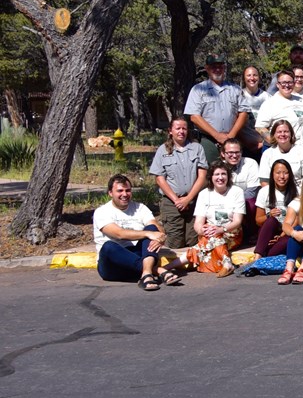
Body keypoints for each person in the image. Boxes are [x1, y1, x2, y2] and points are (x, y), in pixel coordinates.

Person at [93, 174, 178, 289]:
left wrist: (160, 237)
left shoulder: (140, 208)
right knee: (108, 246)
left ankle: (146, 275)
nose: (125, 194)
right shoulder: (102, 212)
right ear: (110, 193)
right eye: (120, 191)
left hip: (135, 257)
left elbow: (157, 229)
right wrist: (148, 234)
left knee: (152, 228)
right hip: (112, 266)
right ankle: (157, 271)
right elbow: (119, 234)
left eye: (128, 190)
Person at [150, 117, 208, 250]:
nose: (181, 131)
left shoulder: (197, 148)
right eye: (178, 128)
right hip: (172, 203)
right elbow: (159, 178)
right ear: (170, 131)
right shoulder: (163, 150)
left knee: (193, 241)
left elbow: (202, 176)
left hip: (193, 201)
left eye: (184, 128)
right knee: (175, 244)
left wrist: (188, 199)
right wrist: (177, 200)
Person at [185, 55, 247, 164]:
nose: (217, 70)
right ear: (207, 68)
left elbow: (243, 114)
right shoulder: (198, 90)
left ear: (224, 68)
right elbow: (194, 117)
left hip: (232, 139)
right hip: (208, 140)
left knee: (233, 173)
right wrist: (217, 136)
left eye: (220, 66)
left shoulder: (235, 89)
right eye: (214, 67)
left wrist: (231, 136)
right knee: (210, 173)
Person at [187, 161, 243, 276]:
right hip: (210, 233)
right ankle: (227, 264)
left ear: (228, 176)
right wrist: (203, 230)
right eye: (216, 174)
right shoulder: (204, 194)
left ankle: (168, 267)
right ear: (211, 177)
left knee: (210, 238)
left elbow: (237, 221)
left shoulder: (237, 192)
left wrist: (220, 229)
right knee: (210, 235)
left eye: (223, 174)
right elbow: (198, 223)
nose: (220, 178)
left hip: (231, 232)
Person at [254, 159, 297, 258]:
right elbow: (258, 220)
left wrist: (281, 235)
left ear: (290, 175)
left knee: (286, 242)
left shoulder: (297, 192)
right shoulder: (264, 191)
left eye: (285, 173)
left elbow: (297, 220)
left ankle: (264, 253)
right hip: (268, 231)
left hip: (287, 232)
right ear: (272, 174)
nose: (282, 177)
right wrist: (269, 215)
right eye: (278, 173)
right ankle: (257, 257)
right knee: (271, 221)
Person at [255, 70, 303, 140]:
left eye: (290, 82)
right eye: (283, 82)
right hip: (284, 147)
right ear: (277, 84)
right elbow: (260, 127)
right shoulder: (270, 103)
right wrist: (274, 142)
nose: (287, 85)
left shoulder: (301, 100)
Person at [259, 119, 303, 186]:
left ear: (291, 133)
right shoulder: (267, 154)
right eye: (279, 132)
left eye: (286, 131)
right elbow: (264, 181)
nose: (282, 134)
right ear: (274, 134)